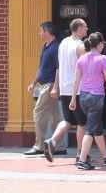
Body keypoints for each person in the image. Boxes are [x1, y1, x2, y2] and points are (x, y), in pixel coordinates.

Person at [70, 31, 106, 170]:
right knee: (90, 130)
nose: (104, 45)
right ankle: (82, 160)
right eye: (103, 43)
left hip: (83, 97)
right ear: (99, 44)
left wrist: (73, 98)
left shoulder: (81, 59)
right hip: (96, 97)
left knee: (96, 128)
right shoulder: (103, 59)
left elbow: (76, 80)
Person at [43, 18, 88, 163]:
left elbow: (59, 67)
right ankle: (81, 154)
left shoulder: (63, 43)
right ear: (79, 28)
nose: (87, 29)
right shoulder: (80, 46)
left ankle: (52, 141)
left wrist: (56, 86)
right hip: (78, 89)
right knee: (82, 123)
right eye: (85, 27)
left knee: (68, 120)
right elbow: (85, 68)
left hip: (65, 88)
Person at [24, 22, 66, 156]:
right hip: (44, 85)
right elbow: (41, 67)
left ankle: (39, 146)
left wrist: (55, 87)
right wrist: (33, 82)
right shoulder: (46, 47)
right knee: (54, 117)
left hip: (49, 86)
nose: (39, 33)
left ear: (47, 32)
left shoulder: (55, 48)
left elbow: (59, 68)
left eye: (41, 31)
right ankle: (60, 147)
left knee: (38, 113)